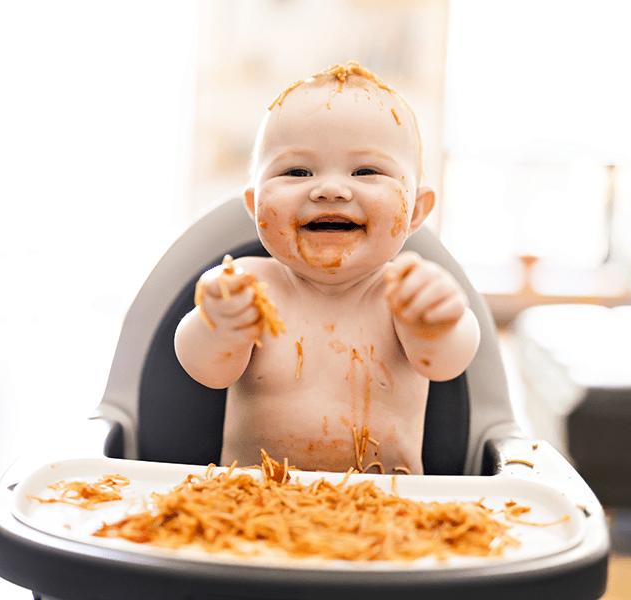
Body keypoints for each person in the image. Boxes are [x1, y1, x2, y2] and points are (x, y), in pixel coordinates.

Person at [175, 63, 480, 475]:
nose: (331, 189)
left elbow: (446, 362)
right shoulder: (248, 286)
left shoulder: (406, 296)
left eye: (366, 171)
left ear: (416, 211)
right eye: (297, 171)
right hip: (253, 512)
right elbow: (206, 370)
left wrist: (438, 322)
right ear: (254, 205)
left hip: (387, 515)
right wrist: (219, 324)